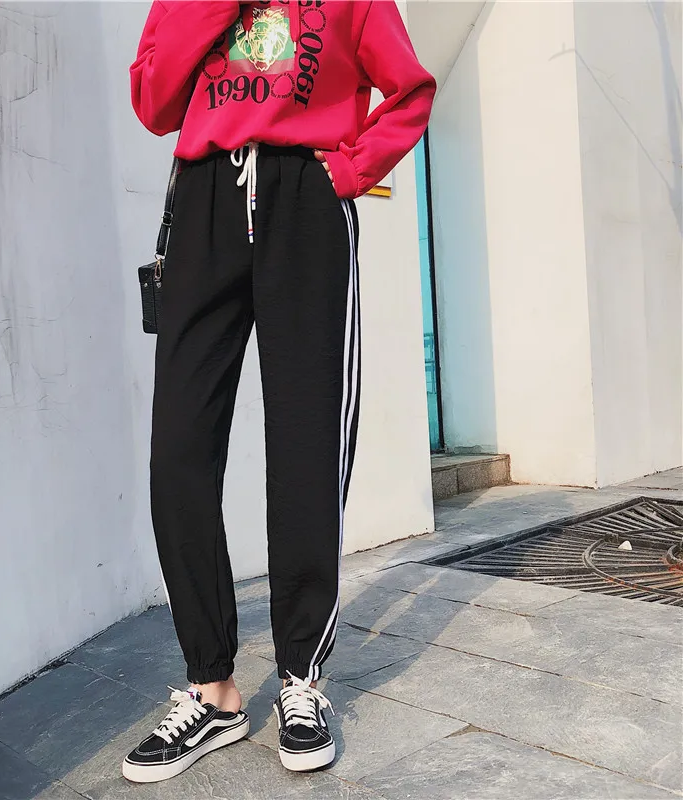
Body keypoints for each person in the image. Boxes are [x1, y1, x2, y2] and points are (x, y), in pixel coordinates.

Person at [123, 0, 435, 783]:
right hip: (204, 199)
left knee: (303, 448)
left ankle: (301, 678)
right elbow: (153, 101)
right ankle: (213, 688)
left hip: (305, 197)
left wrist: (350, 172)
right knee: (179, 451)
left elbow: (411, 90)